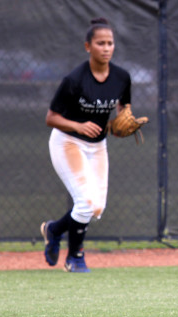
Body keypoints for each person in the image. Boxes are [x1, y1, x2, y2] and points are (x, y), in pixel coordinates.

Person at [39, 17, 137, 273]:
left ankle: (54, 229)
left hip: (98, 145)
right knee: (85, 202)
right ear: (88, 47)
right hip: (68, 142)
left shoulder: (121, 77)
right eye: (100, 43)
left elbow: (122, 106)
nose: (106, 48)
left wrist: (124, 119)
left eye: (110, 43)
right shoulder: (74, 79)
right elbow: (51, 118)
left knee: (97, 207)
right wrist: (79, 126)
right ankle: (75, 258)